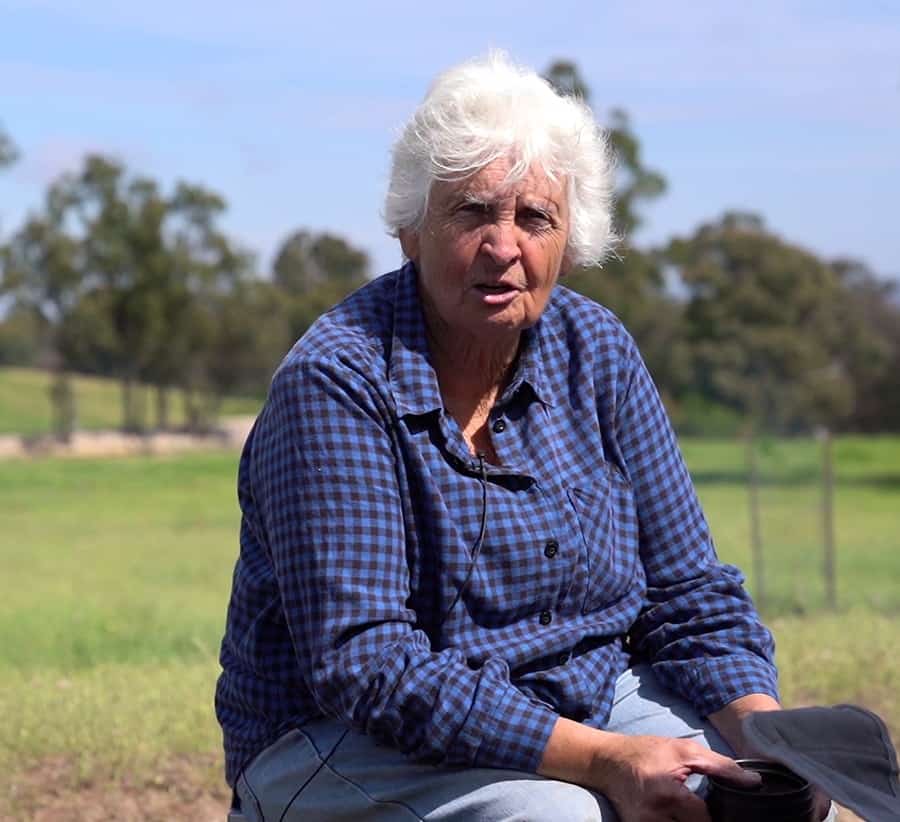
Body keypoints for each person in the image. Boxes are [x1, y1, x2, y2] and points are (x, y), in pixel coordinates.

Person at [216, 53, 828, 821]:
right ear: (411, 230)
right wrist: (605, 762)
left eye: (534, 218)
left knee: (750, 798)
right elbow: (366, 666)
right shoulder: (336, 380)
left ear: (568, 243)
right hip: (339, 737)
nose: (504, 245)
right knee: (561, 817)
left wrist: (762, 731)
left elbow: (686, 592)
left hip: (587, 694)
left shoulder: (597, 349)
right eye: (471, 212)